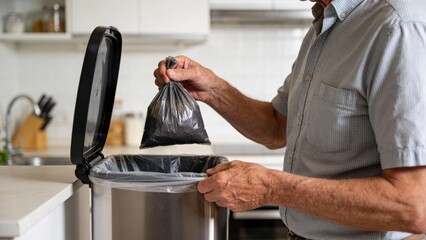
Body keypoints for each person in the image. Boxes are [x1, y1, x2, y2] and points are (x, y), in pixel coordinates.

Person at [153, 0, 426, 239]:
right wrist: (213, 90)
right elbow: (276, 127)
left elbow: (413, 205)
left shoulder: (397, 27)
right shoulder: (322, 30)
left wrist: (271, 187)